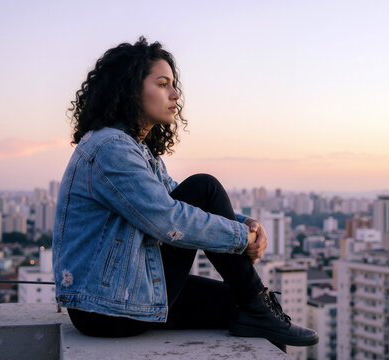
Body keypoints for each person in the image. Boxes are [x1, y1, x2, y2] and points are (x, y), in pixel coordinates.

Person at [52, 37, 318, 348]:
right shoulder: (111, 147)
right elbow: (168, 218)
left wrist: (243, 224)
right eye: (163, 84)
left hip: (121, 292)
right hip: (106, 307)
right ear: (128, 89)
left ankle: (260, 308)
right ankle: (260, 305)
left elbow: (172, 195)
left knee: (247, 312)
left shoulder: (135, 148)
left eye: (173, 85)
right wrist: (239, 237)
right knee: (205, 186)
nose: (175, 95)